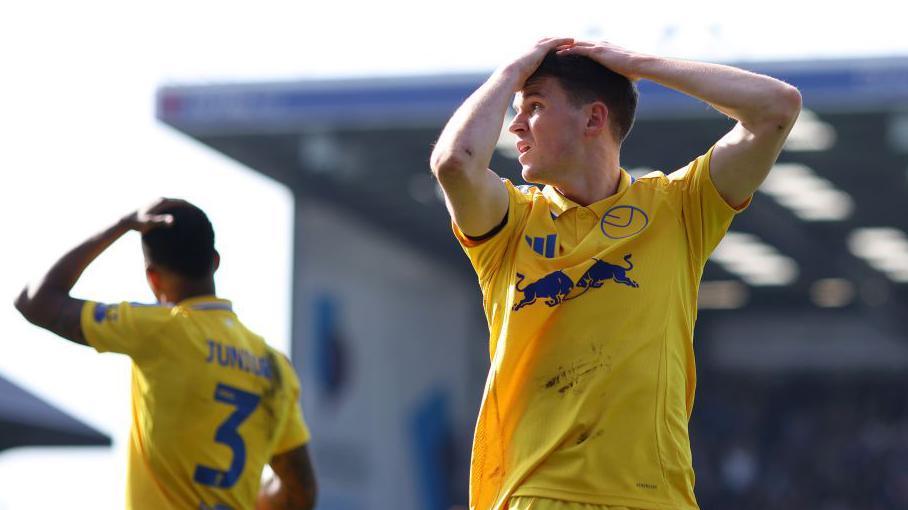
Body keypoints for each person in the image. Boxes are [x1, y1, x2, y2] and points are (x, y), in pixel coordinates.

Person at [430, 38, 801, 510]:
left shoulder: (678, 207)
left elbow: (777, 108)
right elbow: (454, 163)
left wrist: (639, 66)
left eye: (536, 105)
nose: (516, 125)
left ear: (594, 118)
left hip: (657, 499)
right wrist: (510, 72)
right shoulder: (512, 223)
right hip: (539, 496)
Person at [14, 198, 317, 510]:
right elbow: (300, 494)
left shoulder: (157, 330)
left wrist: (120, 226)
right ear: (214, 261)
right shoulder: (275, 366)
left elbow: (34, 301)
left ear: (153, 277)